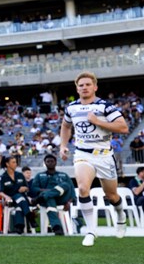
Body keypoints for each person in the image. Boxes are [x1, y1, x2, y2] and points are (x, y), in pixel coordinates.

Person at [60, 71, 129, 247]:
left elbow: (123, 127)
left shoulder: (105, 107)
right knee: (82, 188)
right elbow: (66, 126)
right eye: (81, 85)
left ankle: (121, 215)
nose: (84, 87)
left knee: (111, 195)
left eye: (87, 84)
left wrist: (98, 121)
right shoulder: (71, 108)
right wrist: (63, 145)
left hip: (104, 155)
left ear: (95, 87)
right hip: (83, 153)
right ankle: (91, 230)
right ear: (77, 88)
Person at [29, 153, 75, 235]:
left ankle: (43, 197)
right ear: (45, 163)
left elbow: (71, 189)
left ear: (55, 162)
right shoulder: (39, 175)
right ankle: (57, 227)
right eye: (48, 161)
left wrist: (69, 202)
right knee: (50, 200)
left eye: (52, 161)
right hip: (48, 200)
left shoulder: (63, 175)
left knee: (65, 184)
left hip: (61, 199)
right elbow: (34, 188)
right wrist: (46, 191)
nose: (50, 163)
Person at [0, 154, 31, 234]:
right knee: (19, 198)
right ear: (7, 164)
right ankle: (30, 217)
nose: (15, 164)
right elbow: (0, 191)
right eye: (13, 162)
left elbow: (27, 188)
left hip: (21, 199)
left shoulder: (20, 175)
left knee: (19, 203)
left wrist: (24, 188)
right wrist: (6, 197)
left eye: (16, 162)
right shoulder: (3, 177)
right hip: (10, 199)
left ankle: (19, 227)